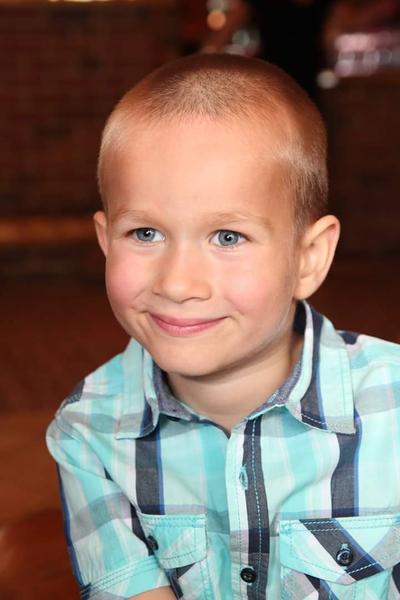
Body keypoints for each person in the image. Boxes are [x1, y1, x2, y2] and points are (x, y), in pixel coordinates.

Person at [46, 53, 400, 599]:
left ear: (308, 258)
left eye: (228, 237)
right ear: (104, 239)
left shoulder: (392, 408)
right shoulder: (88, 430)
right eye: (144, 234)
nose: (178, 283)